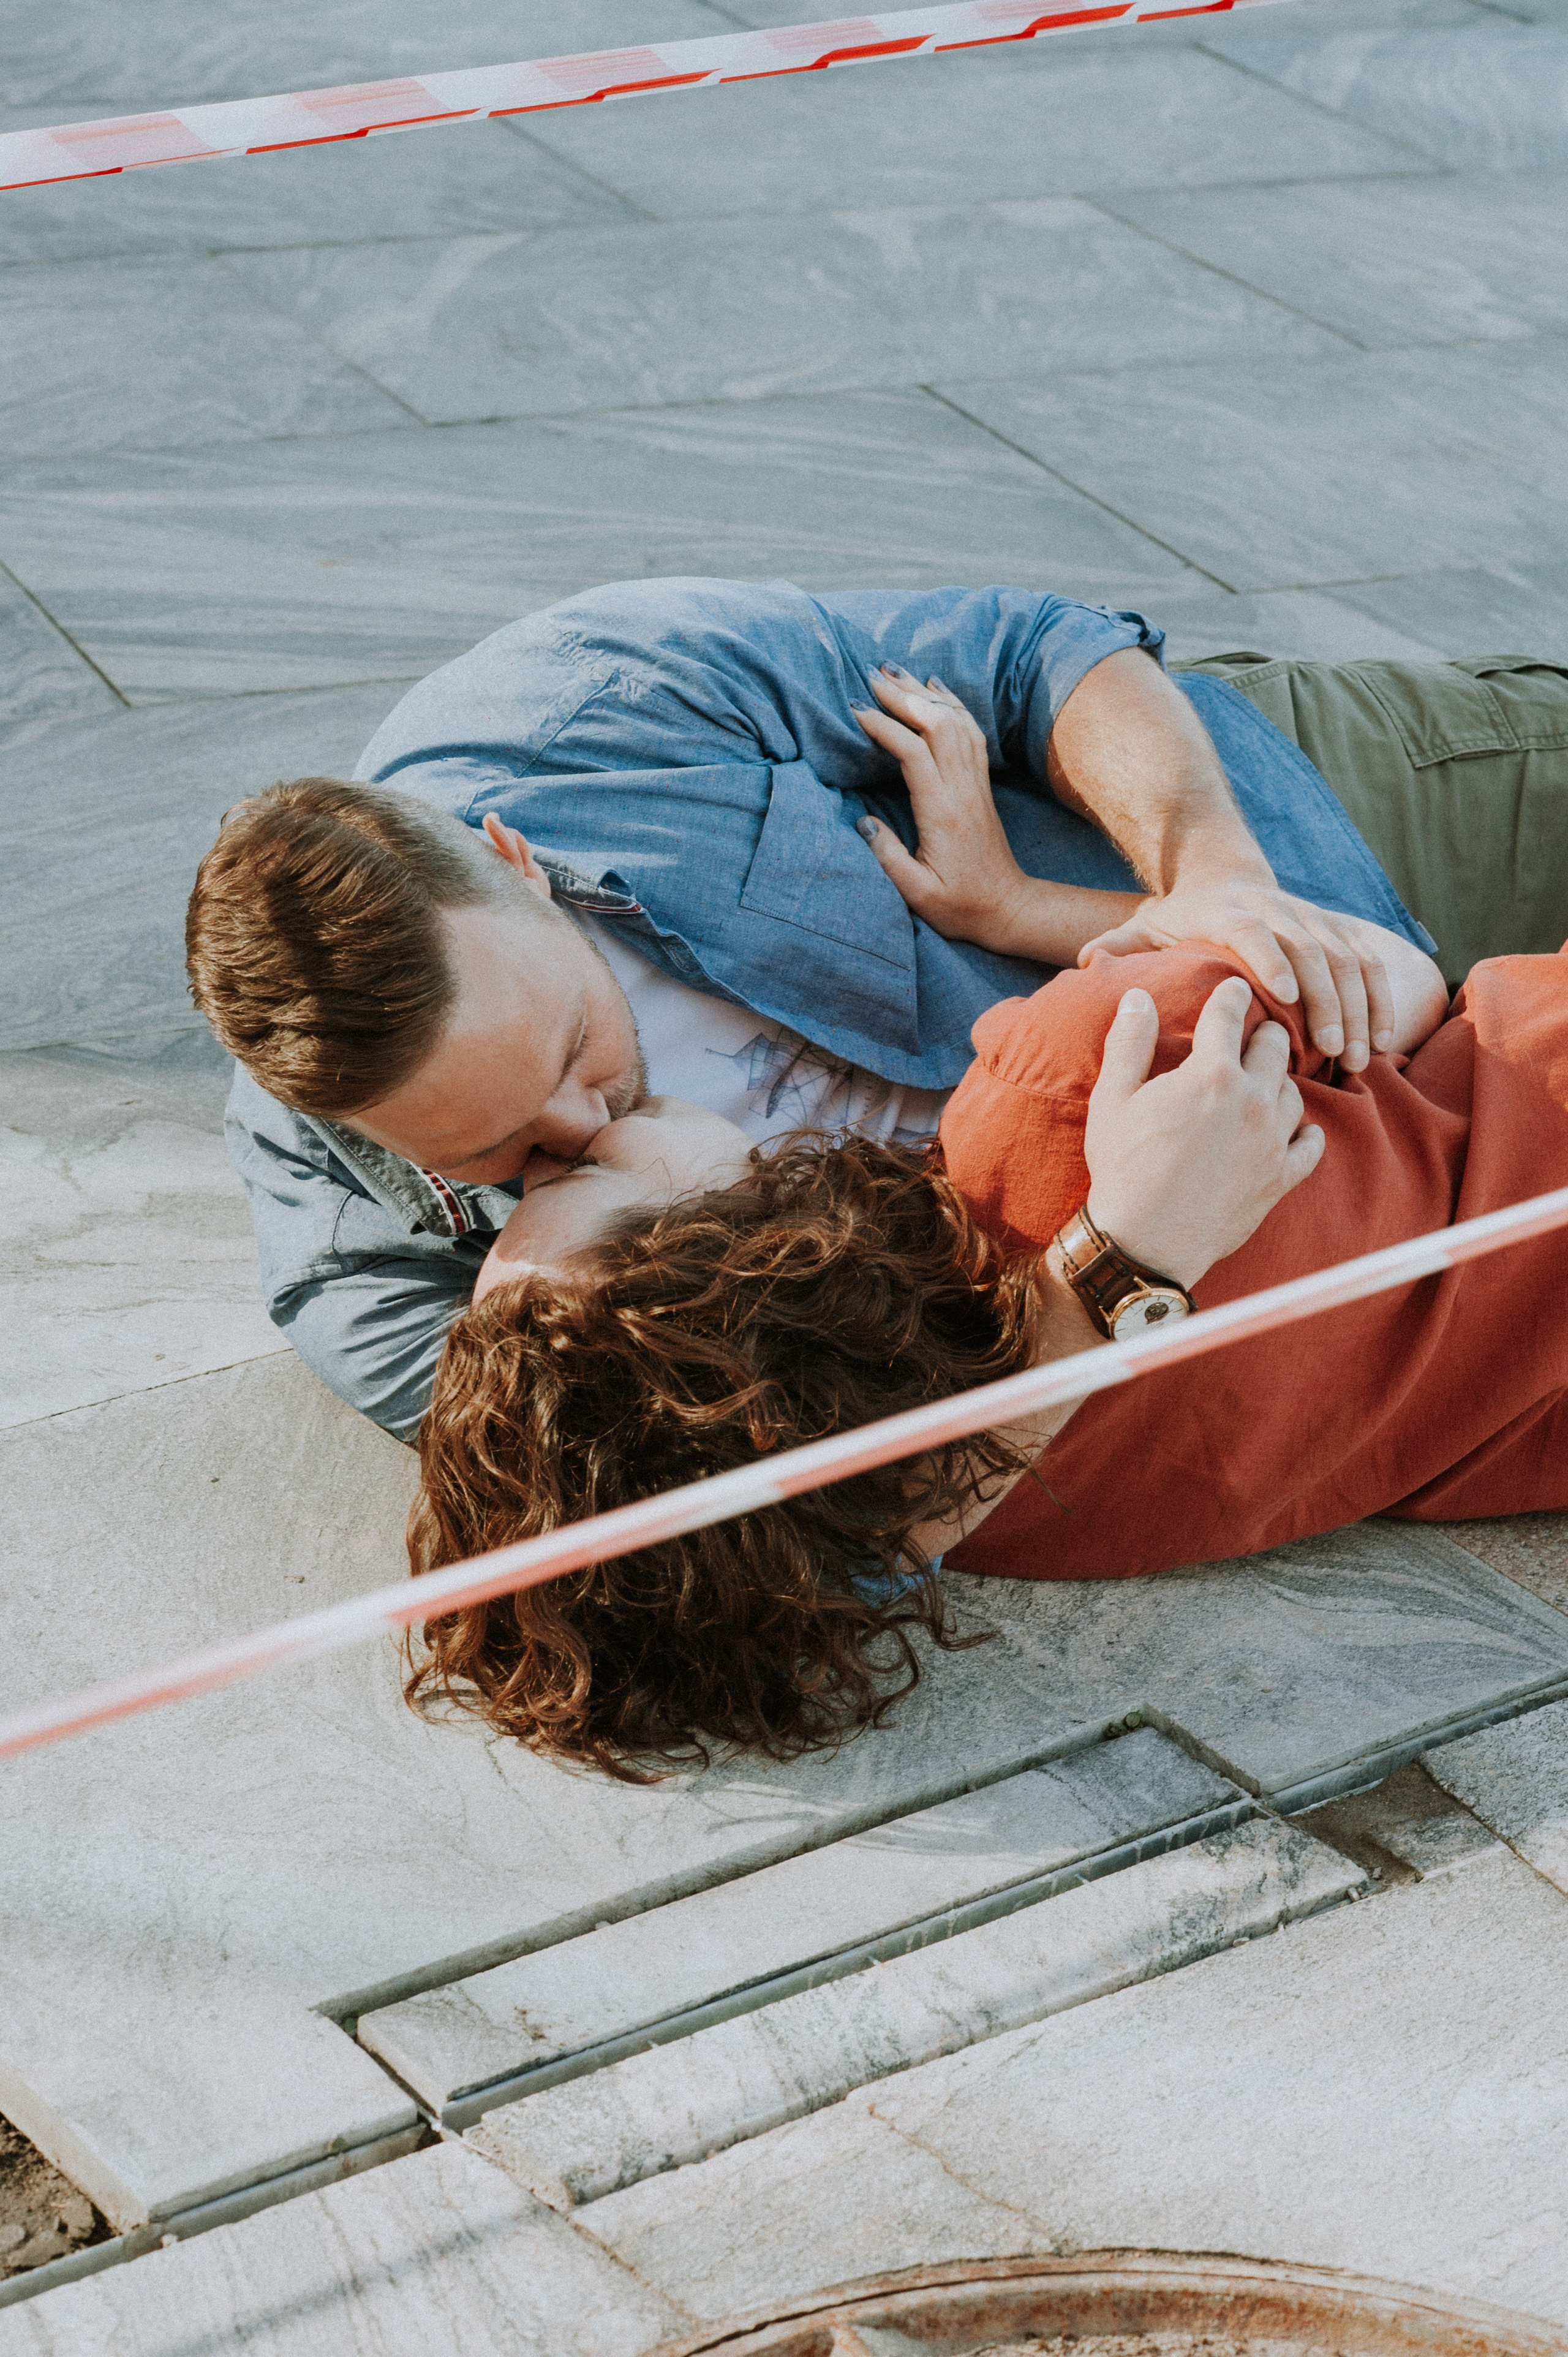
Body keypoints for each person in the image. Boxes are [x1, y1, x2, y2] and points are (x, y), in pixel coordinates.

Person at [393, 672, 1568, 1779]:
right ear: (740, 1253)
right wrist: (1017, 907)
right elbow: (1389, 978)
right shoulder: (1061, 1099)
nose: (555, 1145)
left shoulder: (1007, 1525)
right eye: (570, 1183)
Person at [186, 577, 1514, 1443]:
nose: (586, 1127)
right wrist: (1115, 1268)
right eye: (498, 1156)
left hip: (1266, 823)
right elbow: (743, 1537)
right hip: (1344, 1146)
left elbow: (1030, 652)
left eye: (569, 1053)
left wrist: (1202, 881)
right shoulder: (357, 1274)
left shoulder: (577, 710)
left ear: (518, 863)